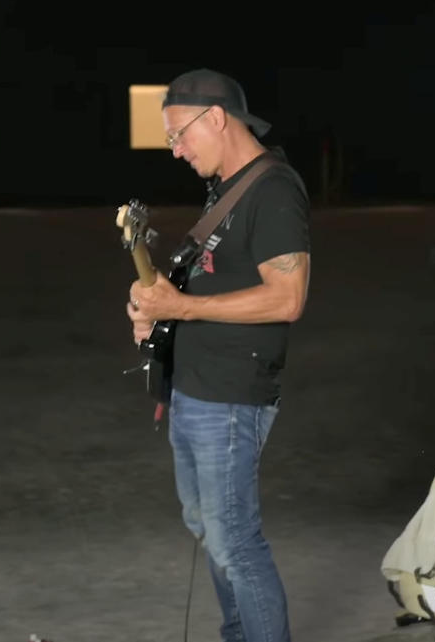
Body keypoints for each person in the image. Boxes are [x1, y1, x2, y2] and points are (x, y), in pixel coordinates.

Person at [125, 68, 310, 642]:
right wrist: (154, 304)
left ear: (217, 118)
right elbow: (200, 287)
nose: (176, 151)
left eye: (180, 134)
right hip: (194, 388)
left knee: (235, 541)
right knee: (209, 526)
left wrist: (179, 308)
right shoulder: (227, 188)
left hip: (231, 395)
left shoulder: (273, 189)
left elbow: (288, 297)